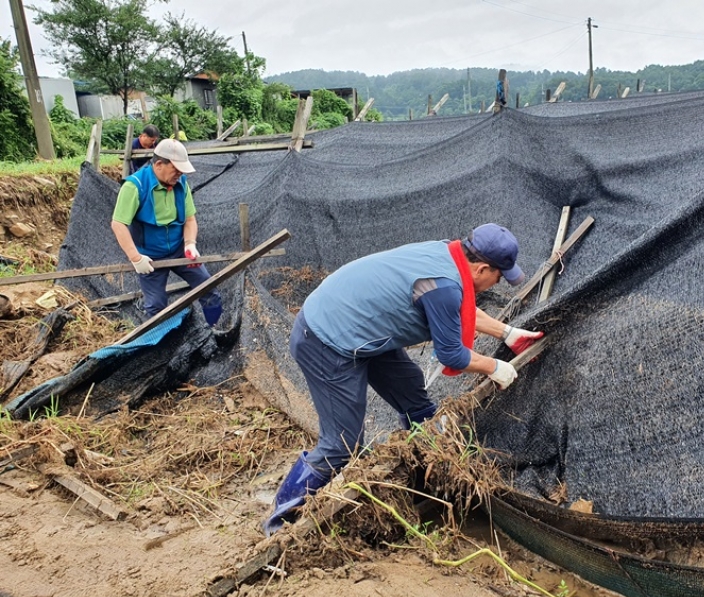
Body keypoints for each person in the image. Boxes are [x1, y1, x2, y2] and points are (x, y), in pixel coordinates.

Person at [263, 223, 544, 534]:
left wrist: (508, 333)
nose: (498, 282)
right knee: (341, 443)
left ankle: (428, 468)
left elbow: (459, 310)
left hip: (360, 326)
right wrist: (494, 367)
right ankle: (280, 525)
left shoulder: (446, 257)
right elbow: (453, 355)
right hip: (325, 339)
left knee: (411, 390)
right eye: (499, 276)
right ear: (481, 269)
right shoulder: (445, 284)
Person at [111, 138, 222, 327]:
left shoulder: (181, 184)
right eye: (176, 169)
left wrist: (190, 244)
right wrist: (136, 258)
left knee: (209, 290)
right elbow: (118, 224)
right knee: (156, 307)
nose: (180, 174)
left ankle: (215, 330)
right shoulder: (134, 186)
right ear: (159, 164)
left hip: (180, 249)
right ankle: (162, 348)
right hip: (150, 256)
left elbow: (190, 220)